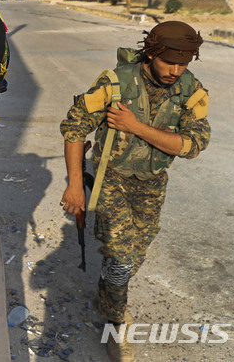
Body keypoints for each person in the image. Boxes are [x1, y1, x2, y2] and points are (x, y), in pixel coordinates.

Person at [60, 21, 211, 362]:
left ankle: (109, 292)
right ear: (151, 52)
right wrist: (74, 186)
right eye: (168, 61)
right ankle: (115, 321)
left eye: (183, 63)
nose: (175, 70)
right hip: (111, 179)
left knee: (133, 256)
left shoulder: (190, 89)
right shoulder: (115, 83)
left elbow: (193, 144)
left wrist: (135, 126)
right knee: (123, 256)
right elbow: (74, 128)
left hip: (152, 183)